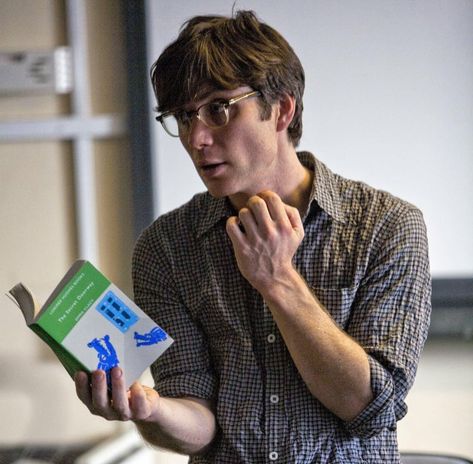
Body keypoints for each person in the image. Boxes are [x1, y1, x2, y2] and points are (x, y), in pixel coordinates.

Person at [74, 10, 431, 463]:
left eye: (218, 109)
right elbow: (199, 425)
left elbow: (369, 407)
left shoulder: (388, 226)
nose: (196, 137)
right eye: (183, 117)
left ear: (282, 108)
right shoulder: (166, 247)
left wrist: (276, 277)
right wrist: (150, 410)